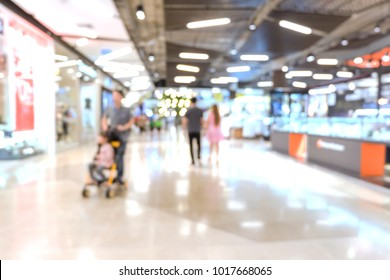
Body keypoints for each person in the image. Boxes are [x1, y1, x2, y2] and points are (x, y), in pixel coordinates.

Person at [101, 90, 134, 184]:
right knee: (109, 154)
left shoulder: (126, 110)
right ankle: (105, 175)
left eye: (116, 95)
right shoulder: (109, 108)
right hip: (112, 136)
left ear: (121, 97)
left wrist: (124, 127)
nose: (114, 97)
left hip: (123, 137)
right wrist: (105, 128)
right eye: (113, 95)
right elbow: (104, 119)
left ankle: (119, 177)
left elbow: (131, 121)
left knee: (120, 156)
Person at [182, 97, 204, 165]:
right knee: (199, 144)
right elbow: (201, 120)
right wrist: (203, 128)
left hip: (190, 130)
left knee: (191, 145)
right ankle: (199, 157)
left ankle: (192, 160)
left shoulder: (188, 110)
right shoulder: (199, 110)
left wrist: (184, 129)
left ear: (191, 102)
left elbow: (185, 120)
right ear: (196, 102)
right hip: (197, 129)